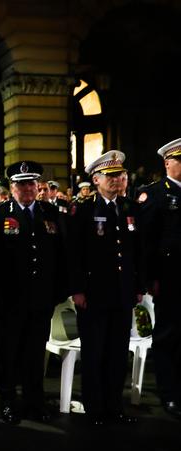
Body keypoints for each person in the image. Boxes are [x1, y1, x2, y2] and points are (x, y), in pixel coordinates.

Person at [68, 150, 144, 427]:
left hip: (122, 293)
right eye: (111, 176)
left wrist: (138, 286)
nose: (117, 180)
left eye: (121, 175)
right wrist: (77, 289)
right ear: (96, 179)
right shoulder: (84, 210)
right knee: (94, 352)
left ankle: (114, 405)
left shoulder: (130, 209)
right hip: (94, 293)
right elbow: (74, 254)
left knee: (116, 352)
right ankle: (94, 406)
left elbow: (137, 253)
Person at [0, 161, 68, 424]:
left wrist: (55, 292)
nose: (28, 188)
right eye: (21, 184)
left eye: (32, 183)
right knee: (8, 353)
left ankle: (35, 401)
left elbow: (59, 255)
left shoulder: (50, 212)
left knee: (35, 353)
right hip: (8, 300)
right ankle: (8, 401)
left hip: (40, 298)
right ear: (12, 187)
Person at [138, 138, 181, 420]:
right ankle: (170, 393)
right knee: (169, 336)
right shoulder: (154, 194)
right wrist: (150, 277)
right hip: (170, 277)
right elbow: (146, 241)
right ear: (168, 163)